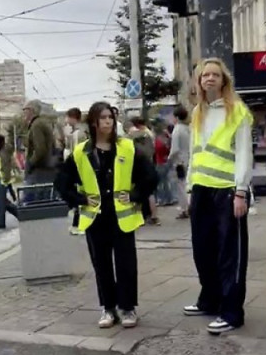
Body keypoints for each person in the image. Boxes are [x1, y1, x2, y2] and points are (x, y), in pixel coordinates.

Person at [56, 101, 156, 329]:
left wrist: (134, 195)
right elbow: (61, 182)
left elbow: (150, 176)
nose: (108, 121)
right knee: (101, 266)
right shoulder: (81, 152)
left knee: (126, 264)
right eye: (103, 117)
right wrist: (80, 200)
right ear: (93, 122)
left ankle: (128, 308)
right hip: (95, 217)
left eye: (110, 117)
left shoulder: (127, 147)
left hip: (122, 217)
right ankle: (108, 308)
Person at [183, 58, 253, 335]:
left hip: (227, 190)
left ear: (224, 80)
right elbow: (194, 153)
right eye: (205, 75)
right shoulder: (198, 112)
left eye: (215, 75)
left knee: (229, 254)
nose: (209, 78)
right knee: (202, 250)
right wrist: (190, 188)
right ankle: (209, 300)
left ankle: (232, 312)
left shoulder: (237, 111)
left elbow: (244, 153)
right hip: (201, 188)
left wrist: (241, 191)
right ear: (199, 82)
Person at [23, 100, 58, 201]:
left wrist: (30, 163)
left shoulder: (36, 125)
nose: (23, 113)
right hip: (46, 168)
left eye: (25, 110)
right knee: (44, 200)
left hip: (39, 170)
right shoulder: (41, 123)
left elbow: (40, 149)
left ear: (31, 110)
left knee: (30, 201)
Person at [0, 134, 19, 230]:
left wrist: (5, 178)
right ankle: (20, 214)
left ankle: (0, 221)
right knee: (2, 201)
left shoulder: (4, 151)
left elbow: (5, 166)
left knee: (0, 202)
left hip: (2, 179)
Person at [168, 105, 191, 219]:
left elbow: (175, 149)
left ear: (176, 117)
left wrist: (169, 158)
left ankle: (184, 209)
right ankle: (190, 206)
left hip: (179, 162)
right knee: (188, 184)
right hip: (189, 159)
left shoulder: (176, 130)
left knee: (181, 187)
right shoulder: (188, 128)